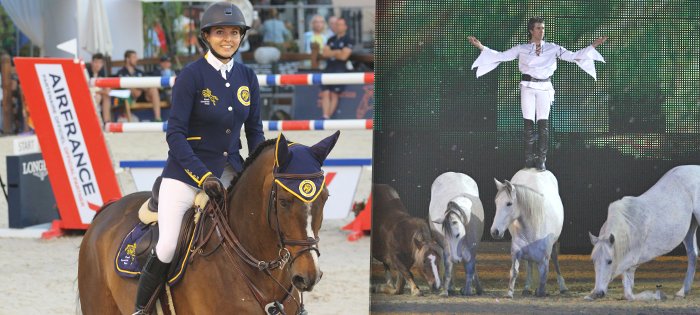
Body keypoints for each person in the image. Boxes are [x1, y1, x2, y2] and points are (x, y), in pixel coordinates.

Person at [131, 2, 264, 314]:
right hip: (185, 175)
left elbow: (255, 132)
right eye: (220, 32)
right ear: (206, 36)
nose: (227, 38)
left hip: (231, 171)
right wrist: (203, 176)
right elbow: (174, 134)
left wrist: (258, 169)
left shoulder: (247, 77)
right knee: (167, 244)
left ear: (241, 37)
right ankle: (142, 308)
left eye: (234, 33)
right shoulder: (191, 76)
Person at [468, 17, 607, 171]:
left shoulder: (553, 48)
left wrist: (593, 45)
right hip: (528, 87)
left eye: (543, 28)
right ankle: (528, 159)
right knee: (528, 126)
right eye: (539, 28)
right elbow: (501, 56)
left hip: (545, 88)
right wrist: (481, 46)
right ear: (531, 30)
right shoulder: (521, 48)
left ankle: (541, 159)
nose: (542, 31)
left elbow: (573, 56)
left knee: (543, 126)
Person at [116, 50, 163, 121]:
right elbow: (123, 86)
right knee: (130, 87)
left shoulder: (139, 72)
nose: (136, 59)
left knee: (153, 89)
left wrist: (140, 87)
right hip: (130, 97)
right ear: (127, 59)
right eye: (134, 57)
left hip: (142, 94)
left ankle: (158, 118)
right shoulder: (121, 72)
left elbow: (147, 83)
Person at [320, 17, 353, 119]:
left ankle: (328, 117)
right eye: (336, 24)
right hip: (328, 69)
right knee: (325, 93)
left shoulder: (348, 39)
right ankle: (325, 116)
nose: (337, 26)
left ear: (345, 27)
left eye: (339, 24)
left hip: (339, 69)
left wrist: (332, 53)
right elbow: (325, 53)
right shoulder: (331, 39)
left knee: (334, 94)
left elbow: (344, 56)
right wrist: (338, 52)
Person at [86, 53, 112, 123]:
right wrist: (103, 91)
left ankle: (107, 121)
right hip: (87, 95)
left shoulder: (103, 73)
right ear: (92, 62)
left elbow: (106, 87)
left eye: (100, 63)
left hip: (97, 93)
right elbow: (87, 88)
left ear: (102, 64)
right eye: (96, 62)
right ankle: (92, 121)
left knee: (106, 96)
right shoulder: (86, 72)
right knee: (98, 96)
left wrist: (106, 90)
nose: (98, 65)